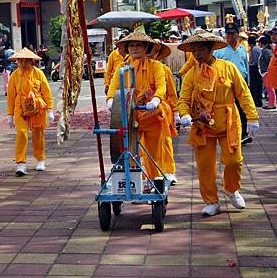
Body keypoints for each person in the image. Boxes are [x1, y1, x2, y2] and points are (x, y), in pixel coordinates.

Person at [177, 32, 259, 216]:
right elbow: (183, 98)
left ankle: (232, 188)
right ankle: (211, 200)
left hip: (228, 121)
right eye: (194, 51)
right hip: (202, 124)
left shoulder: (228, 68)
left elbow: (243, 93)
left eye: (201, 50)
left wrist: (252, 117)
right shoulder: (191, 74)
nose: (197, 54)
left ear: (210, 49)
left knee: (234, 161)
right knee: (205, 165)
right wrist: (184, 114)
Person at [107, 32, 172, 185]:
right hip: (130, 116)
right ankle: (134, 182)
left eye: (139, 45)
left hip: (151, 115)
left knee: (152, 153)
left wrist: (156, 99)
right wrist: (111, 101)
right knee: (129, 151)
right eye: (131, 45)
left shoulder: (156, 66)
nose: (134, 48)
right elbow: (113, 87)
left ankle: (154, 182)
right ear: (127, 48)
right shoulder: (122, 69)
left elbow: (161, 86)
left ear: (146, 48)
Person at [6, 48, 54, 176]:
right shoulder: (14, 75)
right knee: (21, 132)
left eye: (24, 61)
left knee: (38, 133)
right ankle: (21, 163)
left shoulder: (38, 73)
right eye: (19, 61)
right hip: (20, 107)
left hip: (37, 106)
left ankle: (40, 159)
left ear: (30, 61)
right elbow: (11, 95)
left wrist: (50, 109)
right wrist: (10, 114)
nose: (22, 63)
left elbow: (46, 92)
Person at [214, 23, 251, 145]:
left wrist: (248, 82)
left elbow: (246, 66)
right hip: (227, 84)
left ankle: (244, 133)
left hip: (242, 82)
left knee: (243, 108)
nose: (230, 36)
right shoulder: (220, 50)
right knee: (231, 109)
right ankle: (232, 133)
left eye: (232, 33)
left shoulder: (242, 49)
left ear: (237, 34)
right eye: (228, 33)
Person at [150, 41, 179, 185]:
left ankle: (168, 171)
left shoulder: (164, 70)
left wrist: (176, 111)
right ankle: (149, 175)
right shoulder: (133, 68)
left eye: (155, 51)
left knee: (165, 142)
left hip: (162, 111)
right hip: (143, 112)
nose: (151, 54)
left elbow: (172, 93)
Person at [258, 35, 275, 109]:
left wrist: (269, 69)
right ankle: (271, 103)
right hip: (265, 72)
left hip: (267, 72)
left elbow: (271, 59)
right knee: (268, 88)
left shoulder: (266, 51)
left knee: (269, 88)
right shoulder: (265, 50)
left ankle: (272, 103)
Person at [248, 35, 263, 107]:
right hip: (255, 68)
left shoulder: (254, 49)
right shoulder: (256, 48)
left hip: (254, 68)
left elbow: (257, 60)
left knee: (255, 85)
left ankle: (257, 100)